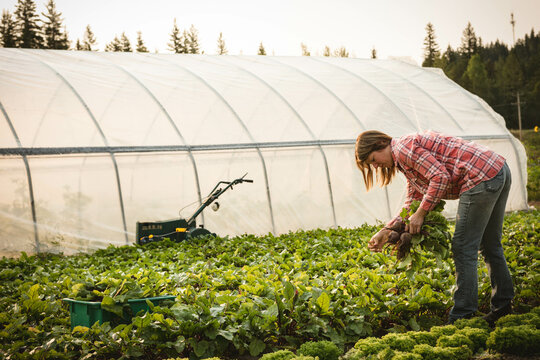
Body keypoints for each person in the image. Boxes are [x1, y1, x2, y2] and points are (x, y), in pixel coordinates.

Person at [355, 129, 514, 325]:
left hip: (479, 177)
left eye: (373, 159)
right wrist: (388, 230)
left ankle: (462, 317)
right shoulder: (404, 156)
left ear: (380, 143)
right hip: (497, 169)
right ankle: (503, 307)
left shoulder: (404, 149)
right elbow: (413, 198)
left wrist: (421, 214)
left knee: (463, 247)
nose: (376, 165)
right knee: (490, 245)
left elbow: (440, 177)